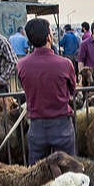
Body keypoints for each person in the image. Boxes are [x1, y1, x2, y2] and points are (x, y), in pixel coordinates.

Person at [17, 18, 77, 164]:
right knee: (68, 171)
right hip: (61, 125)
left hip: (36, 127)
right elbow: (72, 89)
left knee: (38, 173)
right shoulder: (65, 64)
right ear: (49, 37)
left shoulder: (21, 65)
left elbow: (24, 87)